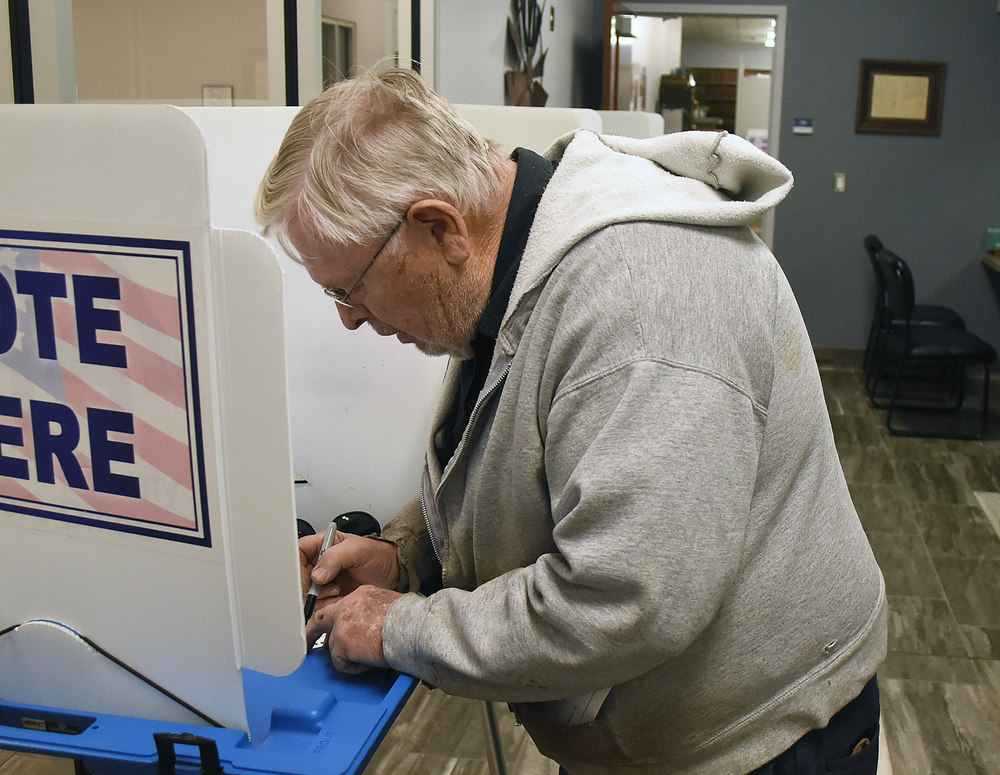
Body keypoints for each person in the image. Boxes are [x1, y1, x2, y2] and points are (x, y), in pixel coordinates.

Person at [255, 67, 886, 775]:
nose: (349, 318)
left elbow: (621, 602)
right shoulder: (521, 253)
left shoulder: (643, 303)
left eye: (350, 287)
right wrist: (408, 556)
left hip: (759, 741)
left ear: (439, 225)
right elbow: (531, 467)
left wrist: (399, 627)